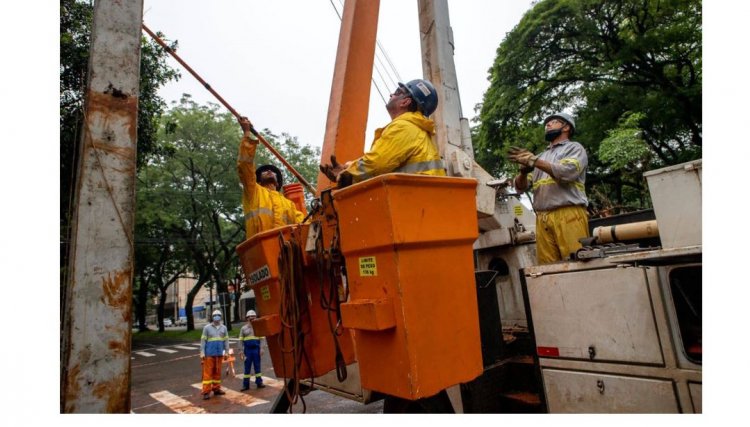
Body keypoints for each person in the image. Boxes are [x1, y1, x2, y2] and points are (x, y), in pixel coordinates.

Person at [319, 79, 446, 187]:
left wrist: (348, 176)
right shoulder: (415, 129)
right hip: (420, 199)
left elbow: (378, 162)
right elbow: (382, 159)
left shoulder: (404, 127)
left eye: (398, 92)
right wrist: (348, 168)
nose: (391, 94)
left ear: (405, 102)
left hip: (413, 201)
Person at [508, 112, 589, 264]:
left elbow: (567, 173)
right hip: (542, 218)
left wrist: (534, 161)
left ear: (566, 127)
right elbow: (520, 188)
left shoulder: (574, 148)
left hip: (569, 215)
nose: (548, 125)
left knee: (577, 262)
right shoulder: (541, 156)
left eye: (554, 122)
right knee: (548, 268)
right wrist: (523, 172)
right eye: (546, 123)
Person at [237, 117, 304, 238]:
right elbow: (245, 166)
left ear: (278, 183)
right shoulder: (253, 192)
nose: (269, 171)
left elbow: (305, 225)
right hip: (261, 251)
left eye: (273, 171)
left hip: (286, 253)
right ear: (257, 180)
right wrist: (247, 133)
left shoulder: (289, 205)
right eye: (265, 171)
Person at [199, 309, 230, 400]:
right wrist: (202, 352)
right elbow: (203, 341)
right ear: (212, 317)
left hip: (219, 354)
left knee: (217, 372)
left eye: (218, 315)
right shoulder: (207, 328)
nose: (217, 317)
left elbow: (226, 341)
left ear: (221, 317)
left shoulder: (224, 328)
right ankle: (206, 392)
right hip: (209, 354)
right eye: (215, 315)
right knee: (207, 374)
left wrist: (227, 352)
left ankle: (216, 389)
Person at [238, 310, 266, 391]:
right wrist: (241, 351)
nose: (251, 318)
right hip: (247, 351)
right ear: (247, 318)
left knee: (257, 367)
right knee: (247, 368)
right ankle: (245, 385)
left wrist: (262, 348)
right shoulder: (243, 328)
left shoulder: (258, 327)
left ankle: (259, 383)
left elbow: (262, 339)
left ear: (255, 317)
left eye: (253, 316)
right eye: (249, 317)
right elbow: (240, 340)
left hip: (256, 350)